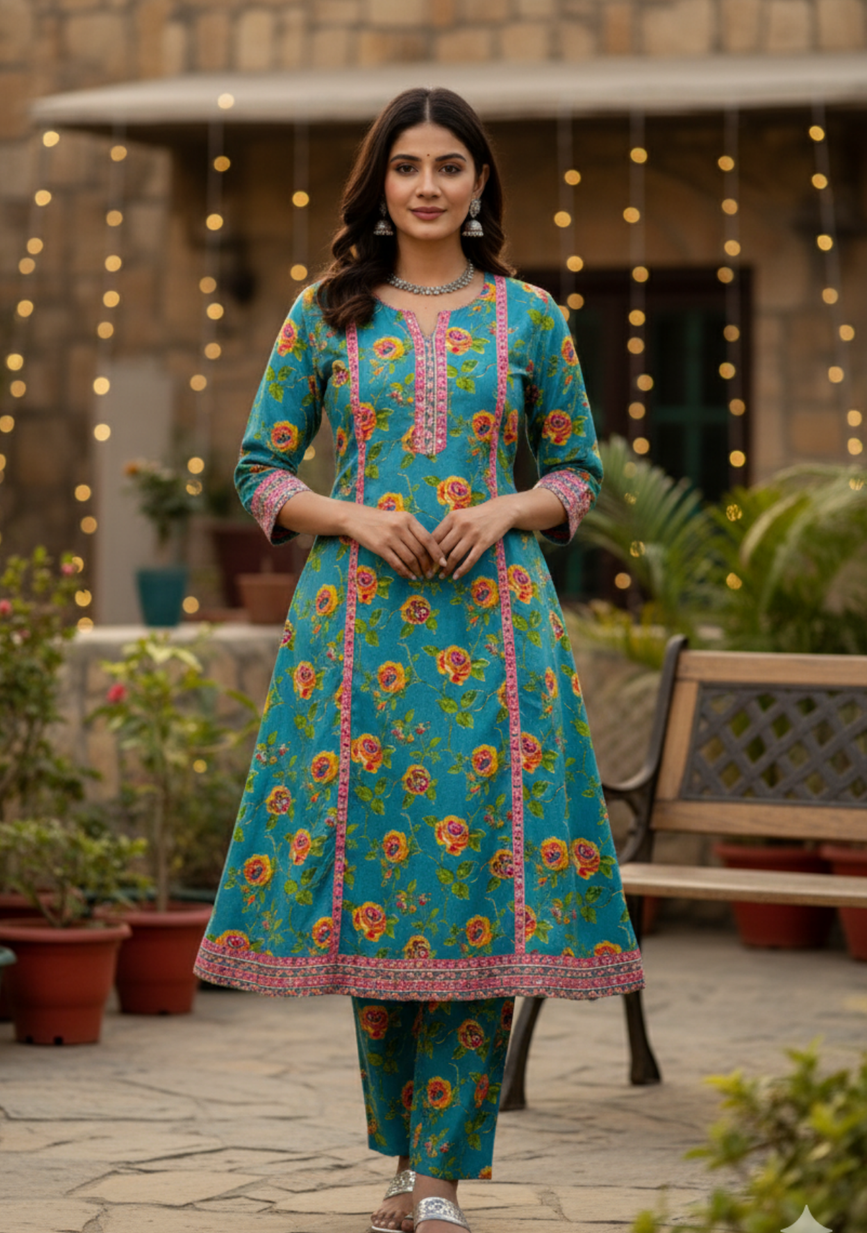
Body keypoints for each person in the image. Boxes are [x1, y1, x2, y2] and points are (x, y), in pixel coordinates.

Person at [195, 86, 644, 1233]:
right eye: (408, 167)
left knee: (481, 886)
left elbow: (580, 473)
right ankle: (403, 1159)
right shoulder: (328, 313)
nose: (430, 185)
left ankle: (442, 1171)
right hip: (360, 637)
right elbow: (260, 470)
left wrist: (503, 510)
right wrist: (349, 518)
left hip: (496, 637)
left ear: (482, 184)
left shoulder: (530, 318)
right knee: (384, 888)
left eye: (451, 165)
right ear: (380, 184)